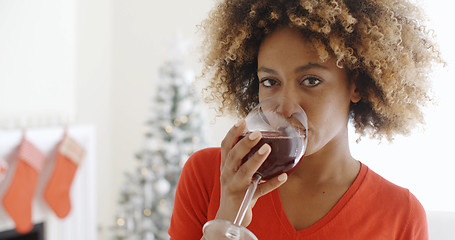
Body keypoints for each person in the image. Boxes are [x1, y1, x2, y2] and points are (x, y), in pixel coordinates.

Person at [169, 0, 442, 239]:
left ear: (357, 85)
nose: (285, 107)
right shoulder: (207, 175)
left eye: (311, 81)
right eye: (270, 81)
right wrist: (228, 215)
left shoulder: (400, 213)